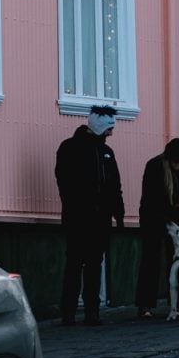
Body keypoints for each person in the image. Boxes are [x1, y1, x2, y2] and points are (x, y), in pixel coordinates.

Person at [55, 104, 125, 326]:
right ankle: (69, 311)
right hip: (78, 217)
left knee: (94, 264)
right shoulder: (71, 148)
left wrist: (118, 213)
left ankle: (91, 311)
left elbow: (115, 185)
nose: (111, 133)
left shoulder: (106, 152)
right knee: (76, 263)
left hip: (100, 219)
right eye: (109, 128)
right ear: (99, 128)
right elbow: (64, 182)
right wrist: (79, 206)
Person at [135, 137, 179, 319]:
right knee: (151, 259)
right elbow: (150, 198)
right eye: (176, 163)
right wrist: (169, 213)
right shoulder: (155, 166)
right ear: (168, 158)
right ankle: (145, 304)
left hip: (178, 217)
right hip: (153, 216)